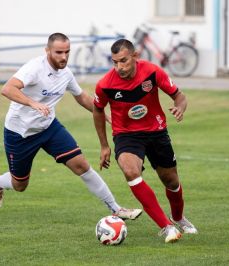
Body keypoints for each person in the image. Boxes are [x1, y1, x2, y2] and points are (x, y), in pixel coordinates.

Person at [0, 33, 142, 220]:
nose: (63, 57)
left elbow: (82, 97)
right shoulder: (34, 68)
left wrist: (106, 116)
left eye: (67, 52)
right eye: (58, 52)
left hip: (49, 128)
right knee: (20, 184)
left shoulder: (66, 73)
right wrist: (33, 103)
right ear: (47, 51)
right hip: (20, 132)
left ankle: (116, 209)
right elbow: (7, 88)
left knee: (82, 165)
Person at [92, 39, 197, 243]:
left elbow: (180, 96)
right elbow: (97, 110)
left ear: (135, 56)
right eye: (114, 62)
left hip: (156, 132)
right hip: (126, 135)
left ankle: (178, 218)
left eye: (123, 61)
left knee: (171, 181)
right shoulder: (105, 84)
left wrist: (180, 107)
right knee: (131, 171)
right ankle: (166, 227)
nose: (119, 67)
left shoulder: (152, 72)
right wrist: (104, 145)